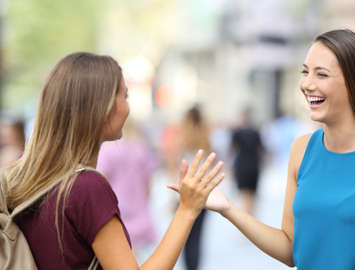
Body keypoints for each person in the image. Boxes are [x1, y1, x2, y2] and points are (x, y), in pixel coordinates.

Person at [175, 29, 355, 269]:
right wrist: (227, 209)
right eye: (305, 72)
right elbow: (291, 249)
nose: (307, 84)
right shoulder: (302, 150)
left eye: (321, 74)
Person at [1, 52, 224, 270]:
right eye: (125, 96)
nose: (128, 108)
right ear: (101, 107)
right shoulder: (86, 187)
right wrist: (186, 210)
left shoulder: (21, 171)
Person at [97, 119, 159, 264]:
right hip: (139, 212)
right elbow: (148, 185)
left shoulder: (107, 150)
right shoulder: (141, 149)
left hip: (117, 212)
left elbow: (102, 182)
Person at [175, 105, 212, 270]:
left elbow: (173, 168)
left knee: (184, 237)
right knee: (197, 237)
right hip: (203, 193)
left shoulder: (183, 139)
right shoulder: (206, 137)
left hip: (184, 193)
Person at [230, 107, 264, 215]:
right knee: (252, 196)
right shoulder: (255, 132)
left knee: (245, 195)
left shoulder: (237, 132)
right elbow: (261, 150)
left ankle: (247, 218)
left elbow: (232, 150)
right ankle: (251, 216)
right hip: (253, 165)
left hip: (242, 165)